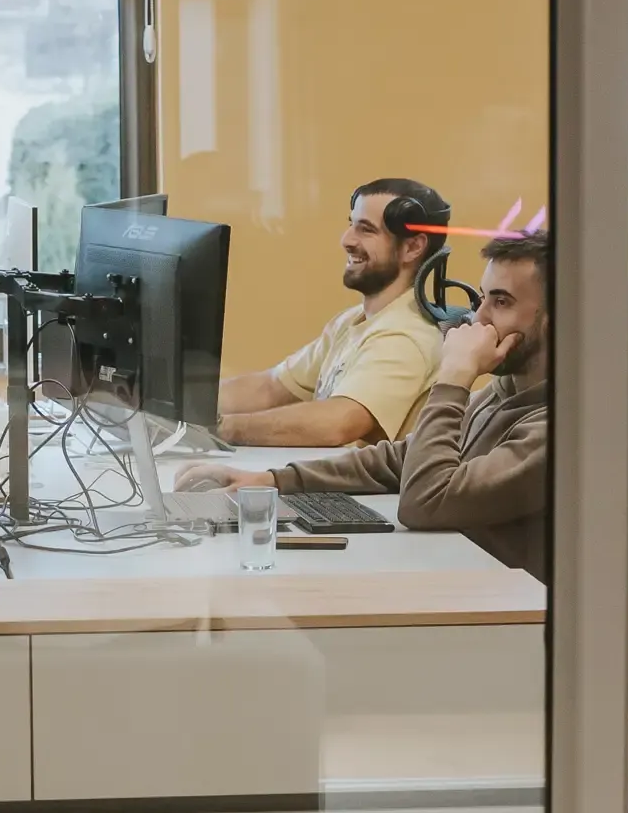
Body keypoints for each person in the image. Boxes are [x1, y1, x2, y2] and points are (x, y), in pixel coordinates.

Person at [181, 221, 550, 579]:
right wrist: (270, 480)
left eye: (500, 302)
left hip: (508, 617)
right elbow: (400, 460)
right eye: (482, 297)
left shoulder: (560, 428)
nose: (476, 318)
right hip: (458, 578)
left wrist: (454, 377)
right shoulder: (504, 393)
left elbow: (427, 501)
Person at [212, 177, 453, 454]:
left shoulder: (405, 335)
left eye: (366, 230)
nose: (347, 240)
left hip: (363, 497)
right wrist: (179, 408)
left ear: (412, 248)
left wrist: (221, 428)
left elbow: (339, 422)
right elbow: (271, 387)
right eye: (352, 224)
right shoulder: (353, 320)